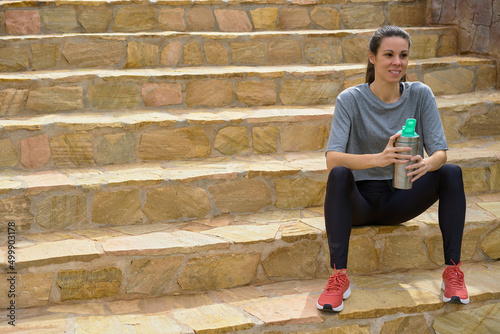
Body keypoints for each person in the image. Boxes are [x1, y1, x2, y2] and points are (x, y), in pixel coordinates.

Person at [316, 26, 468, 312]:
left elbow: (441, 152)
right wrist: (380, 158)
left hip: (402, 197)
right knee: (338, 174)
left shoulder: (420, 95)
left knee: (451, 172)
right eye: (388, 54)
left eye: (403, 55)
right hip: (359, 203)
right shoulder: (350, 99)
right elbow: (332, 158)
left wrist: (428, 163)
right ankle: (339, 277)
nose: (397, 62)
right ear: (372, 57)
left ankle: (453, 272)